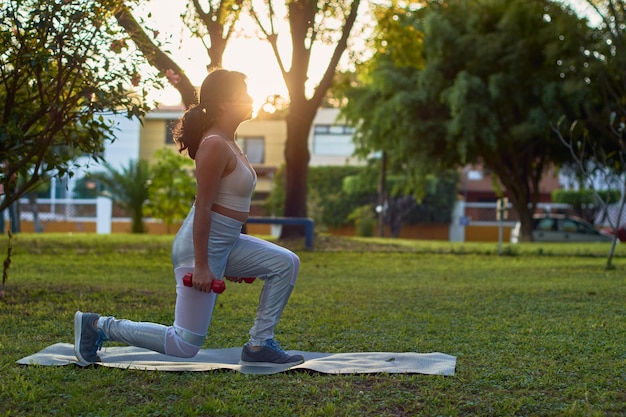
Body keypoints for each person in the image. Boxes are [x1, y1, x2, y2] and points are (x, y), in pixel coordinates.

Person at [74, 69, 304, 368]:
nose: (250, 99)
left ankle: (260, 345)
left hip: (225, 244)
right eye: (243, 94)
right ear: (223, 103)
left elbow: (232, 208)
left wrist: (230, 262)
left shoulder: (230, 143)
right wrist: (203, 265)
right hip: (200, 248)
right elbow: (204, 206)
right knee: (184, 344)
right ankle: (97, 326)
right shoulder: (214, 145)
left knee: (285, 262)